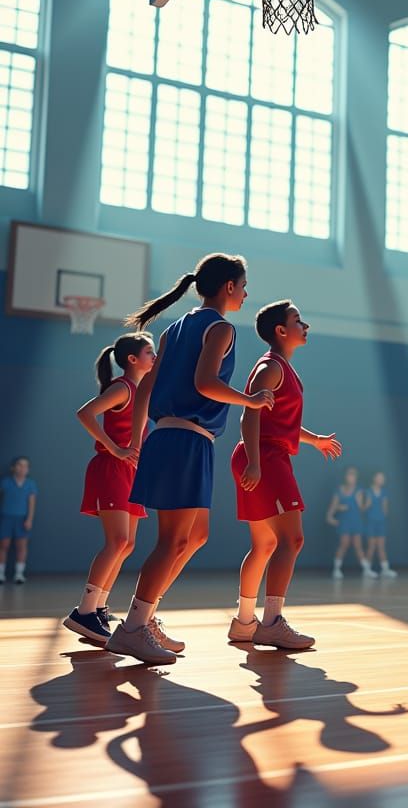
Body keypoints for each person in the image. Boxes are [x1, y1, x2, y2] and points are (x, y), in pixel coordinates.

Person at [104, 254, 274, 666]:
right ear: (229, 287)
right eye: (243, 284)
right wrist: (249, 399)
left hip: (174, 436)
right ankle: (132, 627)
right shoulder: (220, 327)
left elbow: (145, 390)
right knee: (173, 539)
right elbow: (205, 383)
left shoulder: (175, 328)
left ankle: (145, 616)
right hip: (184, 437)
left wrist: (139, 434)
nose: (247, 292)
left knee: (196, 536)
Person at [228, 301, 341, 649]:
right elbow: (250, 414)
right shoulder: (271, 367)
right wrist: (255, 462)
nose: (305, 325)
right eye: (298, 321)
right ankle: (272, 622)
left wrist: (314, 440)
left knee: (265, 544)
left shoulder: (282, 369)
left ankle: (244, 622)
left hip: (264, 453)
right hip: (264, 457)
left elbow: (282, 422)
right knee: (292, 540)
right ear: (281, 330)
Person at [62, 333, 156, 643]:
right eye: (148, 351)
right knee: (117, 541)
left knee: (126, 545)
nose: (154, 356)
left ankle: (98, 607)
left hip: (130, 473)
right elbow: (84, 413)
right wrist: (114, 448)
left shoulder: (141, 391)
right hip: (111, 469)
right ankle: (84, 612)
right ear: (132, 359)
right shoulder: (122, 388)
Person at [327, 467, 375, 579]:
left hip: (356, 521)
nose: (351, 477)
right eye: (349, 474)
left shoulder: (360, 490)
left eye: (353, 475)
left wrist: (360, 503)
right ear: (345, 476)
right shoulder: (339, 490)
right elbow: (333, 507)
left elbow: (363, 508)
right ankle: (336, 570)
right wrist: (332, 514)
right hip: (344, 522)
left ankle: (366, 570)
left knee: (358, 545)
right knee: (344, 544)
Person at [0, 456, 36, 584]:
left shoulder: (30, 484)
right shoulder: (5, 482)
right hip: (6, 517)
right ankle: (1, 574)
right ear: (13, 467)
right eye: (20, 465)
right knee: (4, 545)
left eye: (25, 466)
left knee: (21, 546)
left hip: (22, 519)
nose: (22, 468)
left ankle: (19, 574)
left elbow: (31, 503)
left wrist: (29, 519)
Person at [363, 471, 397, 578]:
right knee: (372, 546)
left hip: (381, 522)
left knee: (381, 546)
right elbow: (364, 507)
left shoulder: (384, 492)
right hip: (371, 522)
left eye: (383, 478)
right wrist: (367, 505)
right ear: (374, 478)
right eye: (380, 478)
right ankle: (367, 570)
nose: (382, 480)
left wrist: (381, 516)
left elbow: (385, 508)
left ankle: (385, 569)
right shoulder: (368, 492)